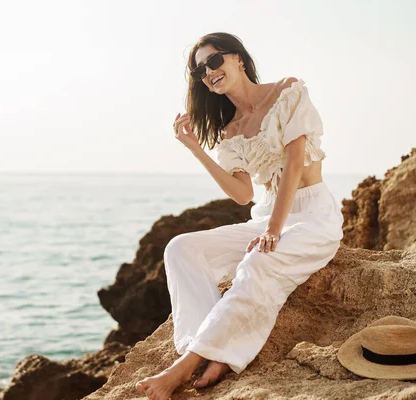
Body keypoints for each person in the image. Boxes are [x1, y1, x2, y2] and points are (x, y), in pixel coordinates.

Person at [134, 32, 344, 400]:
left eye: (215, 61)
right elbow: (243, 194)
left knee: (257, 262)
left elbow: (296, 162)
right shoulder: (229, 130)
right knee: (180, 248)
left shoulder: (288, 92)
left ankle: (184, 368)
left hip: (312, 215)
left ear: (238, 59)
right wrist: (195, 149)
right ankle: (204, 348)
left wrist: (275, 231)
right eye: (201, 70)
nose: (209, 72)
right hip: (266, 216)